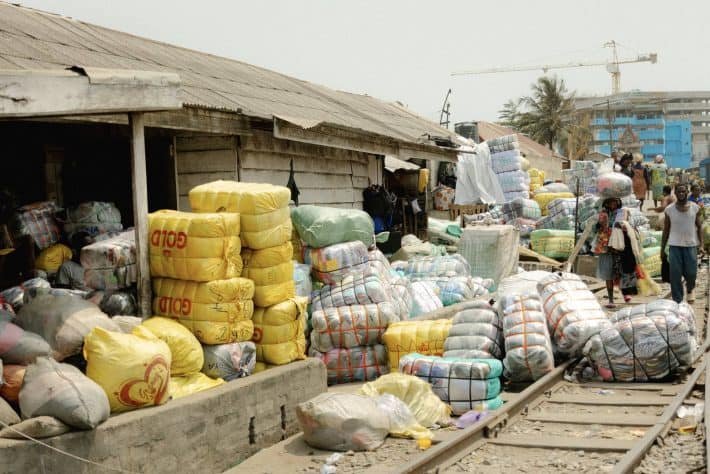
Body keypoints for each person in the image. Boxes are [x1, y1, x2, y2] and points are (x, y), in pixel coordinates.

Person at [661, 183, 704, 303]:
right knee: (675, 275)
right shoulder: (669, 210)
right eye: (678, 192)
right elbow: (666, 230)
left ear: (687, 192)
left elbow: (699, 227)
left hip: (690, 245)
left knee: (691, 273)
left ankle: (690, 289)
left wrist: (701, 245)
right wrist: (662, 248)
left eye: (683, 191)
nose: (681, 194)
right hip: (674, 246)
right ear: (675, 193)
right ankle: (678, 301)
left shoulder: (695, 207)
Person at [594, 198, 637, 308]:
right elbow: (597, 228)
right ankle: (611, 299)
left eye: (614, 202)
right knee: (608, 274)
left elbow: (630, 226)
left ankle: (625, 293)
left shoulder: (623, 212)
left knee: (622, 270)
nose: (613, 204)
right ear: (606, 203)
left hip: (619, 245)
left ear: (618, 202)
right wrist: (601, 223)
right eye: (610, 202)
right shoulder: (603, 213)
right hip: (605, 247)